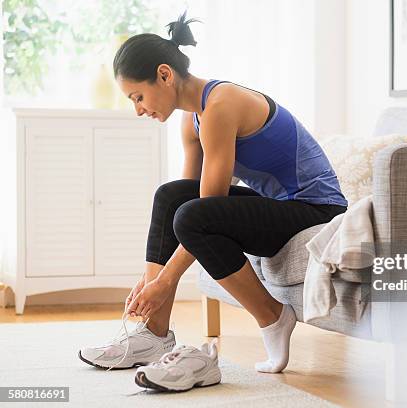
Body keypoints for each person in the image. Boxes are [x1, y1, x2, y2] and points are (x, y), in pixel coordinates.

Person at [78, 12, 348, 391]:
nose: (138, 108)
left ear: (165, 75)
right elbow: (184, 199)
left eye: (138, 96)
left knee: (194, 215)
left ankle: (273, 317)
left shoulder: (221, 104)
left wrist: (164, 280)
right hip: (280, 206)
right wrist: (149, 282)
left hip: (316, 209)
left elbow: (206, 209)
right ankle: (154, 332)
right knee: (170, 196)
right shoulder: (192, 120)